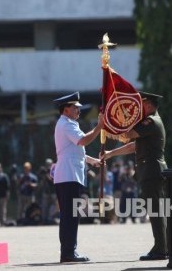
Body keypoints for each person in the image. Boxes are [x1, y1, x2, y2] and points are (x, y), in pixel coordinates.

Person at [102, 91, 168, 260]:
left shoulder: (151, 122)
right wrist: (110, 153)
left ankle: (161, 249)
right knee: (155, 210)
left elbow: (129, 134)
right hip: (149, 171)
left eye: (141, 105)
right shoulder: (149, 124)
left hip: (152, 171)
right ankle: (162, 246)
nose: (138, 109)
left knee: (156, 211)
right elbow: (133, 146)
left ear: (148, 105)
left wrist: (112, 124)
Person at [52, 91, 103, 263]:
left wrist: (92, 161)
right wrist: (98, 128)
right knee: (71, 215)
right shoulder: (67, 124)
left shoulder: (67, 123)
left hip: (68, 174)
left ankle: (67, 251)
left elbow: (75, 151)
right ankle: (68, 252)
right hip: (69, 175)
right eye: (75, 107)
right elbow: (83, 141)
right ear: (65, 109)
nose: (78, 110)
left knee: (69, 215)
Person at [0, 162, 10, 227]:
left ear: (1, 168)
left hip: (3, 195)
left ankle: (3, 222)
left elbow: (8, 186)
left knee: (3, 209)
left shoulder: (4, 176)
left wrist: (7, 194)